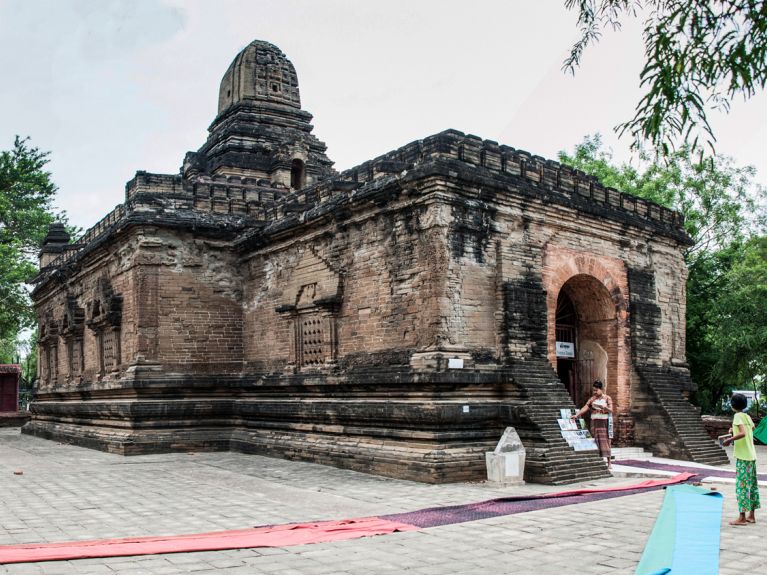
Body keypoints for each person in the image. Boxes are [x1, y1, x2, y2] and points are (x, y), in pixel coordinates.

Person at [722, 393, 760, 525]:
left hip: (743, 457)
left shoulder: (737, 416)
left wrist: (729, 439)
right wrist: (734, 430)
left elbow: (743, 433)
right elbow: (752, 428)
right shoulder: (747, 416)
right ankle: (752, 516)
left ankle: (742, 517)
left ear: (732, 405)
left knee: (741, 486)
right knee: (752, 486)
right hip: (752, 456)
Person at [571, 380, 613, 469]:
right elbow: (586, 407)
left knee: (605, 441)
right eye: (593, 390)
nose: (594, 392)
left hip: (604, 423)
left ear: (601, 389)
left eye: (596, 390)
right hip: (594, 422)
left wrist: (604, 407)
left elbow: (611, 410)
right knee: (595, 440)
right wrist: (577, 415)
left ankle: (609, 463)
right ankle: (598, 461)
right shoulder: (592, 399)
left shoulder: (607, 398)